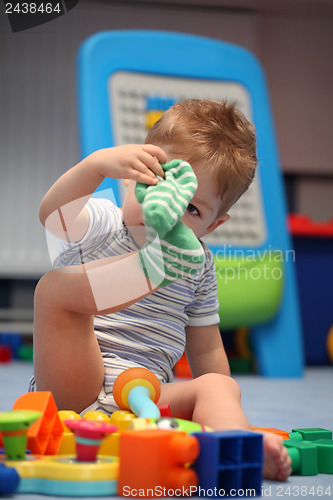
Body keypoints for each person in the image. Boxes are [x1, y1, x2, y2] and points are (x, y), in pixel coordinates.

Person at [30, 99, 291, 481]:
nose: (170, 212)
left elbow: (206, 348)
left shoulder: (197, 263)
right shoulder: (104, 223)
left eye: (193, 210)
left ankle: (237, 442)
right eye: (158, 183)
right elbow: (53, 216)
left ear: (213, 227)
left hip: (143, 396)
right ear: (130, 176)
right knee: (53, 290)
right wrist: (95, 165)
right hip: (74, 385)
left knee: (218, 385)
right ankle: (150, 269)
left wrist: (219, 405)